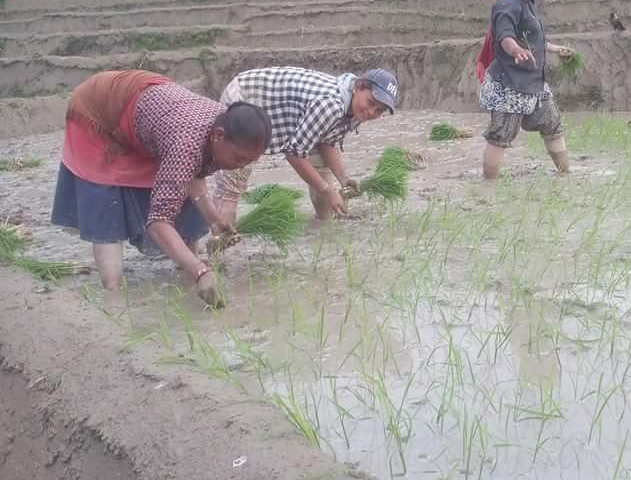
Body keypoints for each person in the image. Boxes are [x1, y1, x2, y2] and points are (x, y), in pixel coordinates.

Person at [51, 70, 271, 306]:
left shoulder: (222, 125)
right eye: (239, 158)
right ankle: (113, 296)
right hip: (100, 110)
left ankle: (187, 272)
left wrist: (213, 218)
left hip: (147, 110)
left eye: (249, 161)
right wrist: (200, 271)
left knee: (182, 200)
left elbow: (192, 173)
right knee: (108, 201)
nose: (241, 165)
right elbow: (158, 221)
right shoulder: (186, 144)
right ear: (218, 136)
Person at [214, 66, 398, 221]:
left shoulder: (357, 109)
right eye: (371, 102)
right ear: (358, 86)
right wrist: (327, 191)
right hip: (246, 97)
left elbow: (328, 141)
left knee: (323, 173)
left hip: (288, 115)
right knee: (233, 183)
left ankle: (323, 227)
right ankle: (219, 252)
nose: (371, 112)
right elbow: (294, 153)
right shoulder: (330, 105)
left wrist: (344, 179)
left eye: (379, 110)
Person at [475, 0, 574, 179]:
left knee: (553, 124)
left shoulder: (527, 1)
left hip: (534, 82)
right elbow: (505, 36)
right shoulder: (507, 4)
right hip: (510, 85)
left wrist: (554, 48)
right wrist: (515, 50)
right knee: (501, 136)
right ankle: (488, 188)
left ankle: (567, 175)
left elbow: (531, 38)